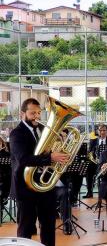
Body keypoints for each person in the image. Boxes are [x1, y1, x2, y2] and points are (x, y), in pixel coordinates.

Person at [9, 98, 69, 246]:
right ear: (22, 114)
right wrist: (50, 157)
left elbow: (49, 154)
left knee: (48, 226)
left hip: (45, 187)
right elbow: (23, 159)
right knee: (26, 228)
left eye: (38, 113)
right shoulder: (17, 133)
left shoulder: (43, 130)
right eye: (32, 113)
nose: (36, 116)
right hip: (25, 188)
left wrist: (60, 151)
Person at [84, 124, 107, 199]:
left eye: (104, 130)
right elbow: (89, 152)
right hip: (95, 163)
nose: (102, 132)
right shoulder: (93, 141)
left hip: (106, 163)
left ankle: (104, 192)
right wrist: (93, 158)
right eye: (100, 130)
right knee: (88, 170)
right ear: (97, 131)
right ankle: (89, 191)